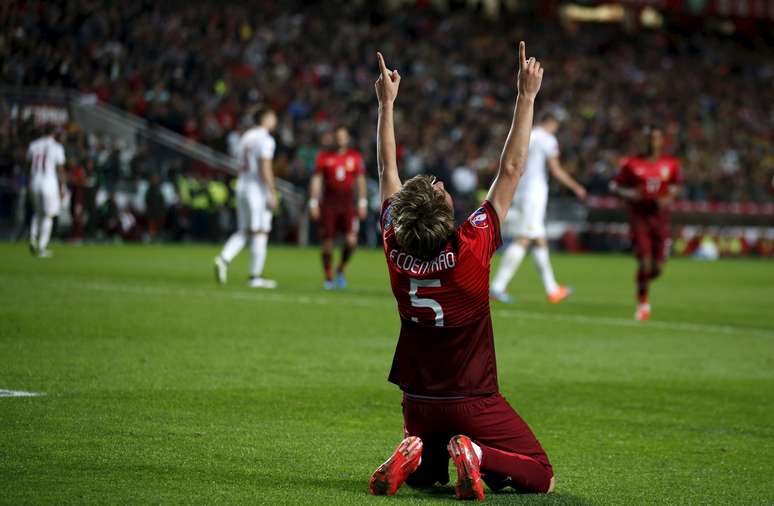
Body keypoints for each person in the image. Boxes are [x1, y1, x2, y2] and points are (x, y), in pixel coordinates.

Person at [368, 43, 555, 501]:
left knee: (431, 475)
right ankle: (475, 453)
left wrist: (387, 105)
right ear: (448, 211)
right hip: (472, 400)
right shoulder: (471, 248)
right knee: (541, 473)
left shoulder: (396, 246)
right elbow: (511, 169)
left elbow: (386, 170)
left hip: (418, 402)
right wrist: (526, 97)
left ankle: (418, 456)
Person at [490, 112, 586, 304]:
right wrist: (576, 187)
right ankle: (497, 287)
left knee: (539, 239)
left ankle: (552, 289)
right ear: (552, 123)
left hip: (522, 191)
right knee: (525, 238)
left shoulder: (527, 134)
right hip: (534, 193)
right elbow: (555, 169)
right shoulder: (547, 139)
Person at [610, 127, 682, 321]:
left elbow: (676, 186)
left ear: (662, 141)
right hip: (639, 218)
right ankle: (643, 303)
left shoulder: (671, 164)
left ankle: (642, 282)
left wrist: (667, 198)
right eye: (650, 138)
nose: (653, 142)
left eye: (657, 138)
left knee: (657, 269)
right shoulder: (631, 164)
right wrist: (631, 194)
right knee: (645, 261)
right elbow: (615, 186)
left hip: (661, 219)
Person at [214, 108, 278, 288]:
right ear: (265, 119)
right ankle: (255, 276)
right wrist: (271, 192)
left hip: (241, 185)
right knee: (260, 231)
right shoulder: (266, 139)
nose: (275, 120)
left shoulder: (246, 136)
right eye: (273, 117)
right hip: (256, 189)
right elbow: (265, 167)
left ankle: (224, 258)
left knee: (245, 230)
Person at [308, 126, 367, 289]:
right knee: (327, 243)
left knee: (351, 241)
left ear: (347, 138)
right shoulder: (323, 157)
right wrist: (313, 202)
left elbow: (360, 181)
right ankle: (328, 276)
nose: (340, 139)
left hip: (348, 205)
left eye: (343, 136)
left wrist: (362, 202)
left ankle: (340, 268)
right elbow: (317, 180)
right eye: (337, 136)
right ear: (333, 138)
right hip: (329, 205)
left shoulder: (355, 157)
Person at [27, 127, 66, 257]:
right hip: (49, 182)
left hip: (34, 181)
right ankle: (42, 247)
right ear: (54, 133)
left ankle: (32, 238)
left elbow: (27, 165)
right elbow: (60, 169)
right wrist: (62, 187)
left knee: (37, 213)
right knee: (48, 215)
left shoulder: (33, 145)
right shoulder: (56, 147)